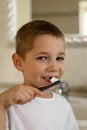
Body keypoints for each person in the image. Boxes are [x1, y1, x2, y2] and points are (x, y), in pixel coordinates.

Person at [0, 20, 79, 130]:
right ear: (18, 62)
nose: (54, 67)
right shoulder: (8, 105)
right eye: (42, 58)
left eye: (59, 58)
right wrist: (1, 103)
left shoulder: (63, 105)